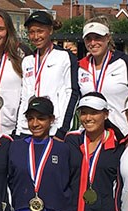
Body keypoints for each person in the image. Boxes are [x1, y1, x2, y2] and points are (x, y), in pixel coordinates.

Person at [16, 11, 80, 140]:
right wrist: (19, 130)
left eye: (40, 31)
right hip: (28, 129)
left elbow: (72, 93)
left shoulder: (65, 57)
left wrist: (62, 130)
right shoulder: (27, 61)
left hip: (54, 129)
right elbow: (24, 97)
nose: (36, 36)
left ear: (50, 30)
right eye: (31, 32)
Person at [76, 17, 128, 136]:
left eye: (98, 38)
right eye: (88, 39)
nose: (93, 43)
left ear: (108, 37)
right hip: (91, 135)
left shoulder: (126, 62)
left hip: (123, 134)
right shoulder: (80, 66)